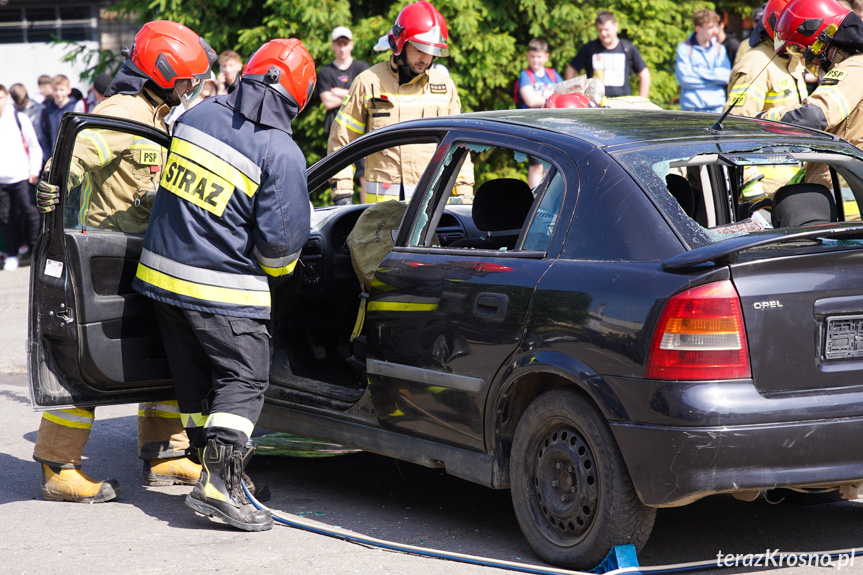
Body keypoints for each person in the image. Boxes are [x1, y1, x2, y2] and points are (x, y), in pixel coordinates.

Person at [132, 38, 316, 531]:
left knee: (194, 381)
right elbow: (279, 250)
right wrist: (281, 284)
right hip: (221, 290)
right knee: (244, 379)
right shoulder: (281, 151)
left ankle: (209, 468)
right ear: (298, 96)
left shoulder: (198, 115)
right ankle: (219, 482)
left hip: (161, 281)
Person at [32, 20, 218, 503]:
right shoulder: (123, 111)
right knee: (85, 361)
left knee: (159, 352)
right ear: (164, 73)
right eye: (187, 79)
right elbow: (70, 160)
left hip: (144, 254)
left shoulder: (155, 113)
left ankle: (165, 453)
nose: (192, 88)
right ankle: (60, 465)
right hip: (105, 255)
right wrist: (53, 186)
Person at [328, 0, 473, 204]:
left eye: (432, 51)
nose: (426, 58)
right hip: (381, 210)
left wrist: (465, 197)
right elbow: (341, 142)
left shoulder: (445, 87)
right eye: (419, 49)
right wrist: (342, 195)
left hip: (430, 211)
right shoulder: (368, 83)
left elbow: (460, 146)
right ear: (400, 44)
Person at [759, 0, 863, 188]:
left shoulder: (856, 68)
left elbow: (813, 116)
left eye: (800, 50)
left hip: (847, 200)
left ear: (823, 39)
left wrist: (760, 121)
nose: (806, 60)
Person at [317, 26, 369, 199]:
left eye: (345, 44)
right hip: (336, 133)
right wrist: (351, 93)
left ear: (351, 45)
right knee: (339, 178)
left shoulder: (362, 68)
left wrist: (337, 91)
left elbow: (364, 97)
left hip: (361, 132)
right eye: (338, 44)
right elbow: (327, 101)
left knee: (364, 178)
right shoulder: (325, 72)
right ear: (333, 45)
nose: (342, 48)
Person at [0, 84, 42, 271]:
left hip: (22, 175)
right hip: (2, 180)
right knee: (6, 218)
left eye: (1, 97)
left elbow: (34, 146)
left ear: (7, 97)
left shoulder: (18, 117)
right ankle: (12, 253)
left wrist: (35, 170)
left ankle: (35, 250)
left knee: (31, 212)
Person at [565, 11, 650, 99]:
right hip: (595, 104)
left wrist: (642, 101)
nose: (603, 34)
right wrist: (573, 97)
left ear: (616, 26)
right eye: (600, 30)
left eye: (606, 30)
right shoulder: (589, 49)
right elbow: (570, 70)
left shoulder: (628, 48)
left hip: (622, 104)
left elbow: (645, 75)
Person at [515, 38, 561, 187]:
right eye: (533, 56)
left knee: (553, 164)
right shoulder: (525, 75)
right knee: (536, 164)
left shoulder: (552, 74)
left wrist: (543, 97)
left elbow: (562, 94)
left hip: (552, 125)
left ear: (546, 57)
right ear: (528, 56)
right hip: (532, 125)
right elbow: (530, 100)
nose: (536, 60)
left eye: (539, 56)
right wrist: (548, 97)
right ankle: (534, 197)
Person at [675, 9, 732, 113]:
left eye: (715, 26)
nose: (714, 31)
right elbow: (685, 80)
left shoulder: (720, 49)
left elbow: (726, 77)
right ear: (698, 29)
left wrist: (698, 71)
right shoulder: (684, 48)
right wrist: (714, 81)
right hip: (691, 110)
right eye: (710, 27)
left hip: (717, 109)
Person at [40, 75, 78, 152]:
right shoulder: (46, 111)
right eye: (55, 90)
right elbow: (44, 137)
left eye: (61, 90)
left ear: (69, 90)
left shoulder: (76, 109)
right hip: (53, 155)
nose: (58, 93)